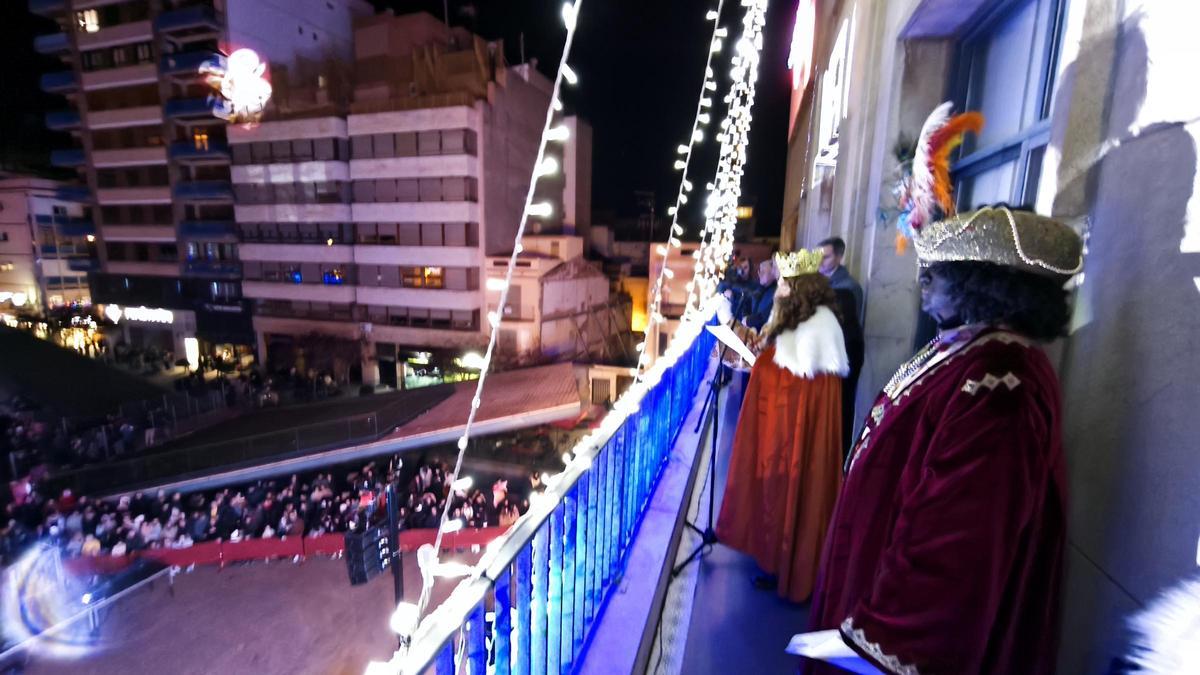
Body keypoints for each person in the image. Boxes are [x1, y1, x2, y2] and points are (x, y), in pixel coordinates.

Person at [806, 200, 1082, 672]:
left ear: (981, 285)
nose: (922, 285)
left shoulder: (1003, 378)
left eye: (936, 275)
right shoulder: (970, 350)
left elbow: (957, 545)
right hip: (873, 574)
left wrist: (882, 633)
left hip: (899, 623)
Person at [715, 249, 848, 603]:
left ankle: (788, 563)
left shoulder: (818, 329)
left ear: (801, 289)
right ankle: (775, 554)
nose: (778, 291)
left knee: (787, 490)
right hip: (786, 428)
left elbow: (788, 382)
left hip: (791, 437)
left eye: (786, 286)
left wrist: (756, 359)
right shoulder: (802, 319)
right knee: (779, 492)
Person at [818, 236, 863, 321]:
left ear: (839, 258)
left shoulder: (850, 287)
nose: (819, 261)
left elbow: (852, 324)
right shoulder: (810, 281)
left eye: (825, 257)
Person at [743, 258, 779, 331]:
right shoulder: (758, 287)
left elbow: (767, 314)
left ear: (774, 272)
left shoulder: (778, 291)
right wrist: (745, 316)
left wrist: (749, 321)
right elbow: (746, 301)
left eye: (763, 271)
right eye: (759, 271)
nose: (760, 274)